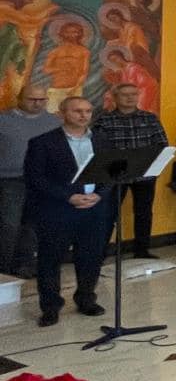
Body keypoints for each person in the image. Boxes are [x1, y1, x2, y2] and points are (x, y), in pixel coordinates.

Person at [23, 96, 111, 326]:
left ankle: (86, 299)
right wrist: (68, 196)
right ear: (62, 113)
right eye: (77, 111)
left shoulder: (102, 140)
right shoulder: (43, 142)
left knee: (90, 256)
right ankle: (50, 307)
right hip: (58, 209)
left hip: (93, 207)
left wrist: (99, 194)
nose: (83, 115)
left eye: (88, 111)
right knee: (50, 259)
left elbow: (112, 172)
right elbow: (36, 178)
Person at [91, 82, 168, 259]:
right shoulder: (104, 120)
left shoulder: (150, 118)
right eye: (125, 94)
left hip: (144, 175)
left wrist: (150, 164)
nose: (130, 98)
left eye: (133, 94)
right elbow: (98, 149)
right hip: (115, 177)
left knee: (144, 213)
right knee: (108, 214)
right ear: (115, 98)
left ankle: (142, 251)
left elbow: (162, 144)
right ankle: (99, 254)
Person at [0, 84, 60, 278]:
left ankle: (25, 265)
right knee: (9, 224)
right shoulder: (3, 120)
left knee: (33, 225)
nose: (37, 103)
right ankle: (4, 269)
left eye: (42, 100)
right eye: (32, 99)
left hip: (42, 180)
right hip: (10, 179)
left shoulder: (54, 122)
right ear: (19, 99)